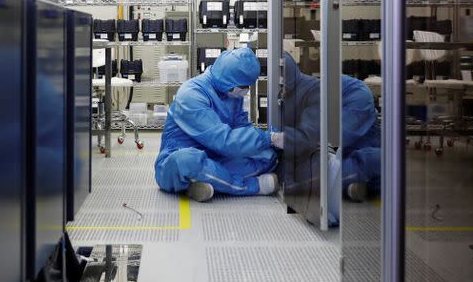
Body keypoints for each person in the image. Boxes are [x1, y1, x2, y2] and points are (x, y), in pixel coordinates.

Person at [154, 47, 283, 202]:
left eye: (247, 86)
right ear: (229, 80)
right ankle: (248, 186)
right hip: (178, 161)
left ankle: (205, 182)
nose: (246, 91)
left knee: (268, 156)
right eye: (244, 87)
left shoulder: (232, 92)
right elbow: (223, 140)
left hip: (217, 157)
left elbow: (241, 128)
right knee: (187, 161)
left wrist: (271, 142)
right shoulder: (191, 94)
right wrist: (268, 138)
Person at [281, 52, 380, 224]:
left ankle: (351, 184)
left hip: (354, 116)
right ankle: (352, 187)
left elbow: (329, 139)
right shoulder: (297, 93)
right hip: (338, 138)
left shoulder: (357, 94)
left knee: (375, 161)